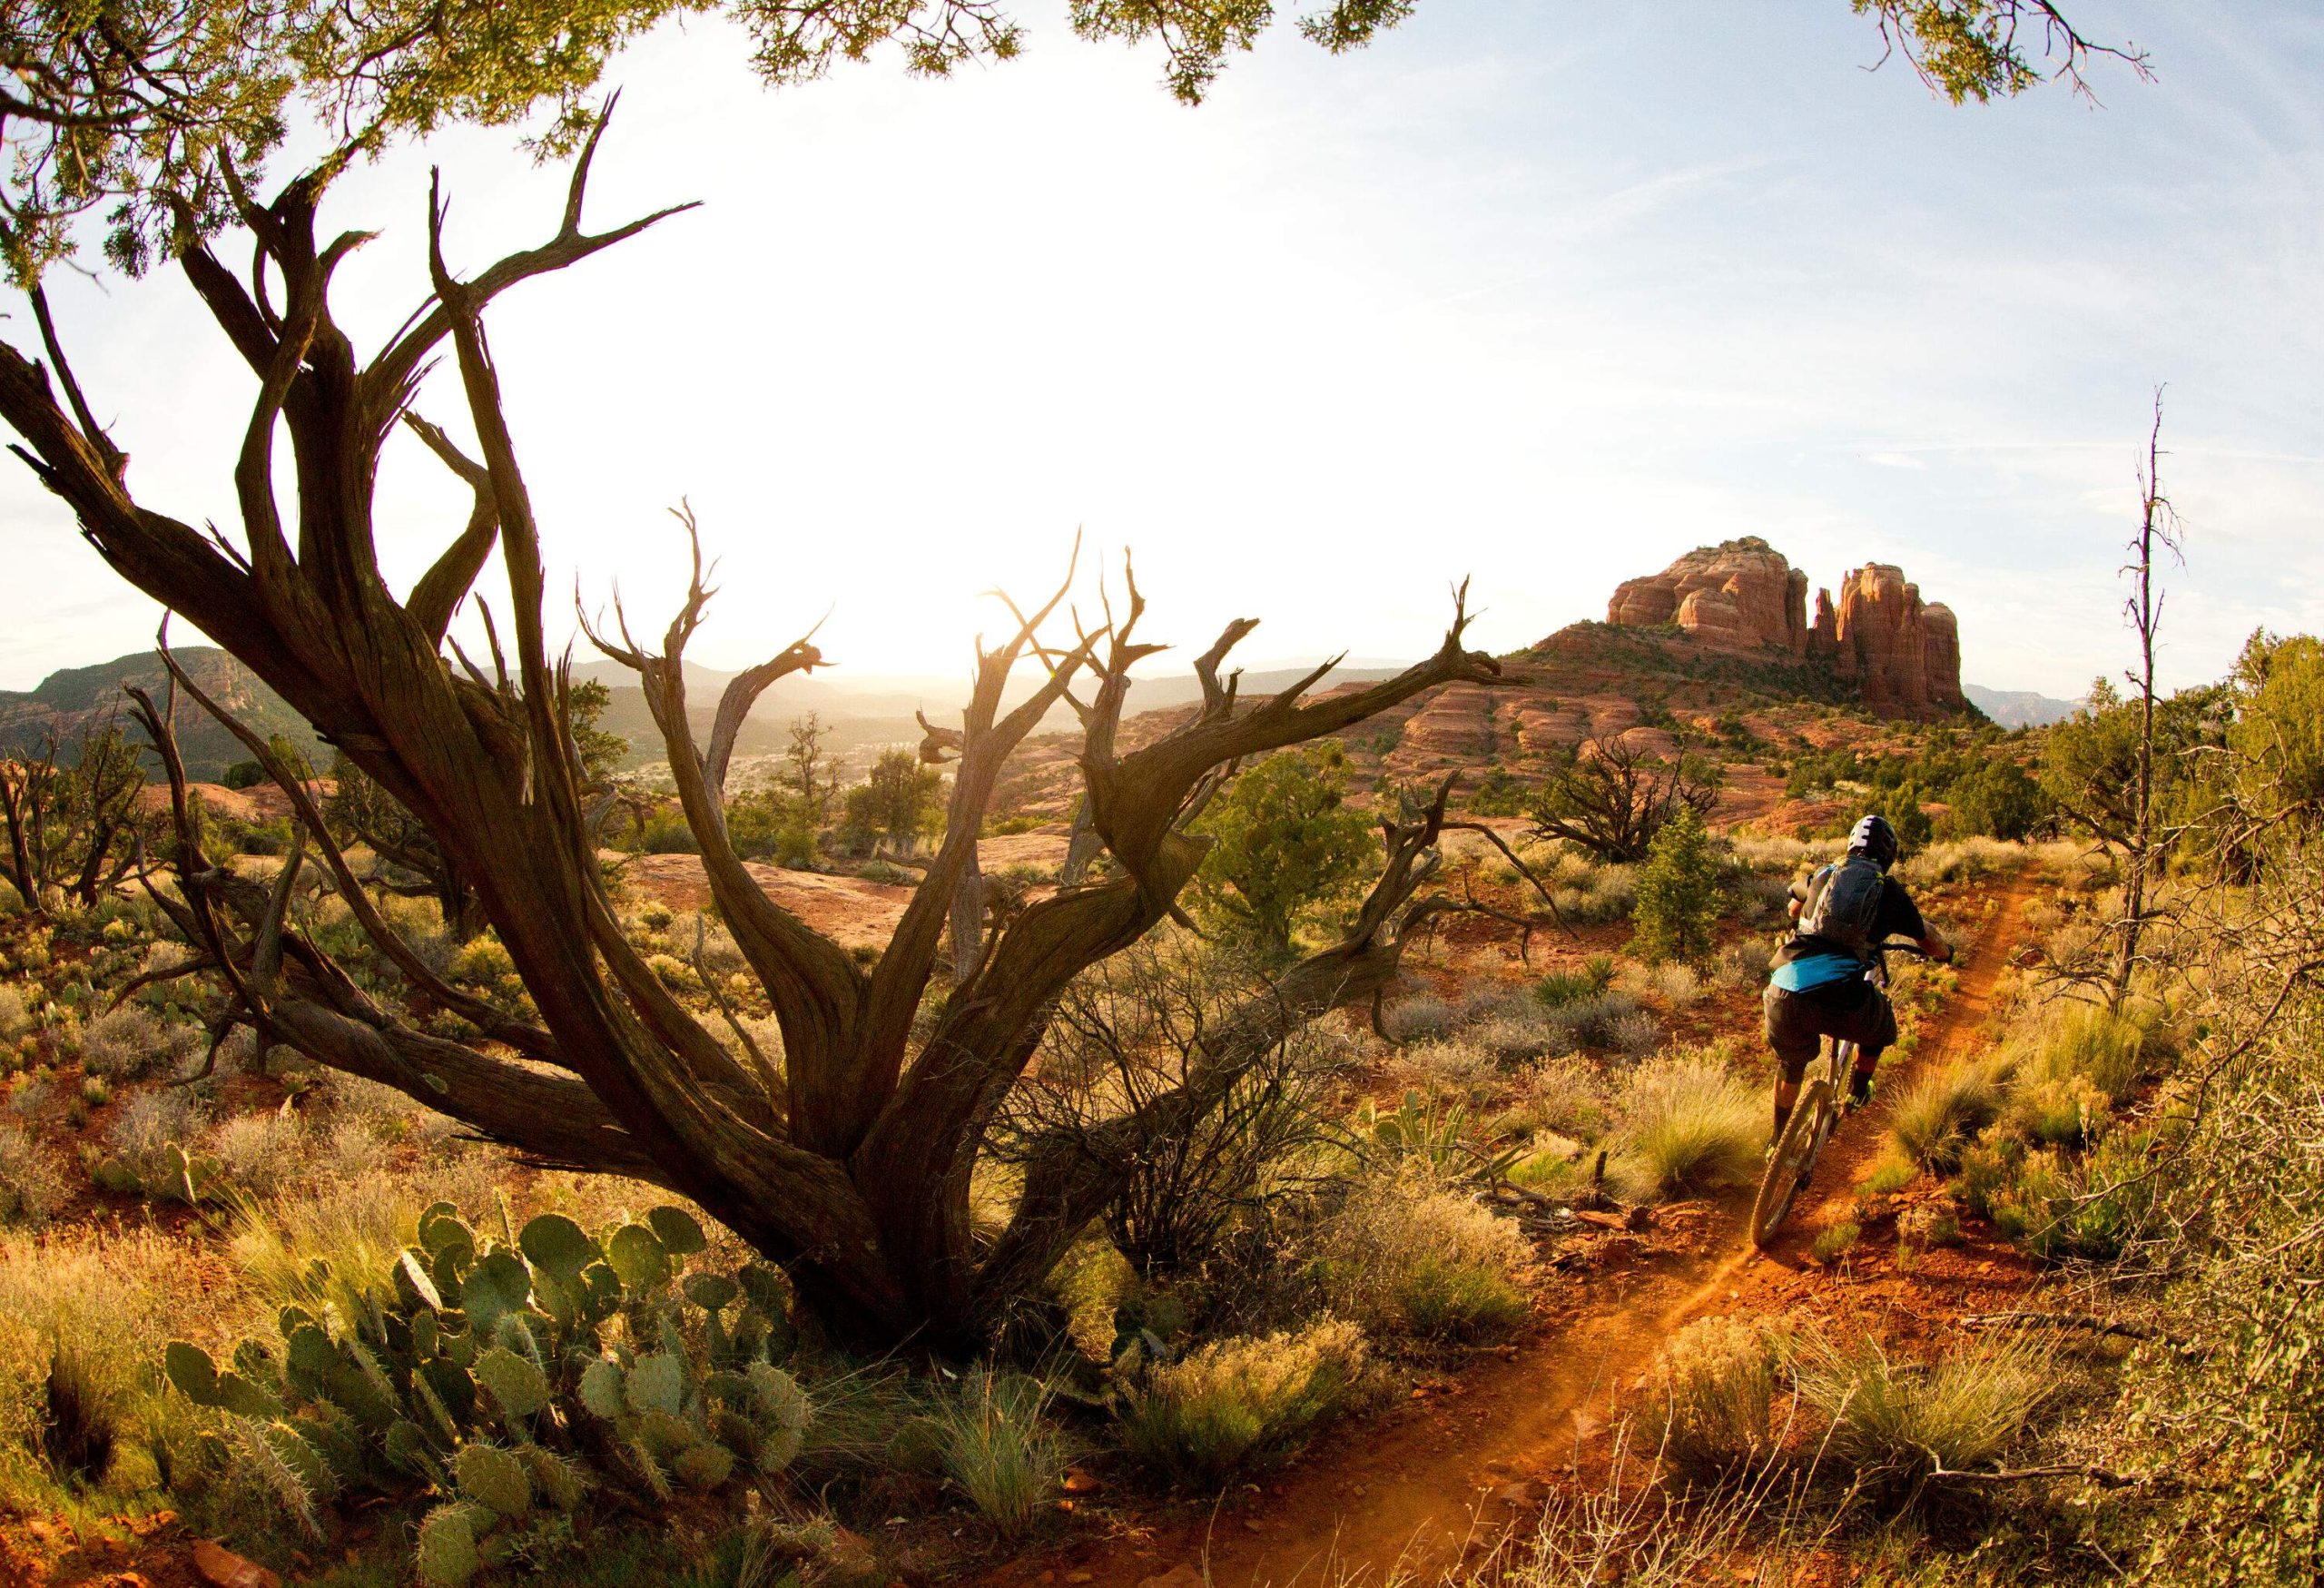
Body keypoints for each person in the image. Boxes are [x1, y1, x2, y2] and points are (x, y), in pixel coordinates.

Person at [1762, 814, 1952, 1141]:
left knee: (1791, 1064)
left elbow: (1793, 905)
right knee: (1881, 1027)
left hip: (1784, 988)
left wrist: (1802, 913)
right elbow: (1928, 938)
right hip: (1840, 999)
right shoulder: (1889, 893)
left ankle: (1776, 1141)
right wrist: (1946, 953)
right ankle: (1859, 1091)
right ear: (1889, 854)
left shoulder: (1825, 874)